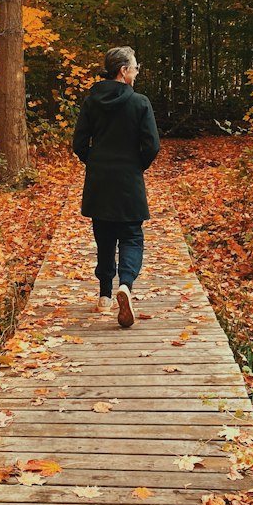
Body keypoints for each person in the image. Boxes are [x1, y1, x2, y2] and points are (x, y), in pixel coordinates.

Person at [71, 46, 161, 327]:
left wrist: (95, 161)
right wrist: (137, 165)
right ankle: (126, 284)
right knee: (132, 235)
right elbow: (152, 145)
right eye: (135, 67)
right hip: (128, 179)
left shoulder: (91, 102)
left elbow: (78, 143)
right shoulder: (140, 103)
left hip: (99, 179)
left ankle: (104, 296)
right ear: (123, 71)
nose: (137, 71)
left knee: (104, 235)